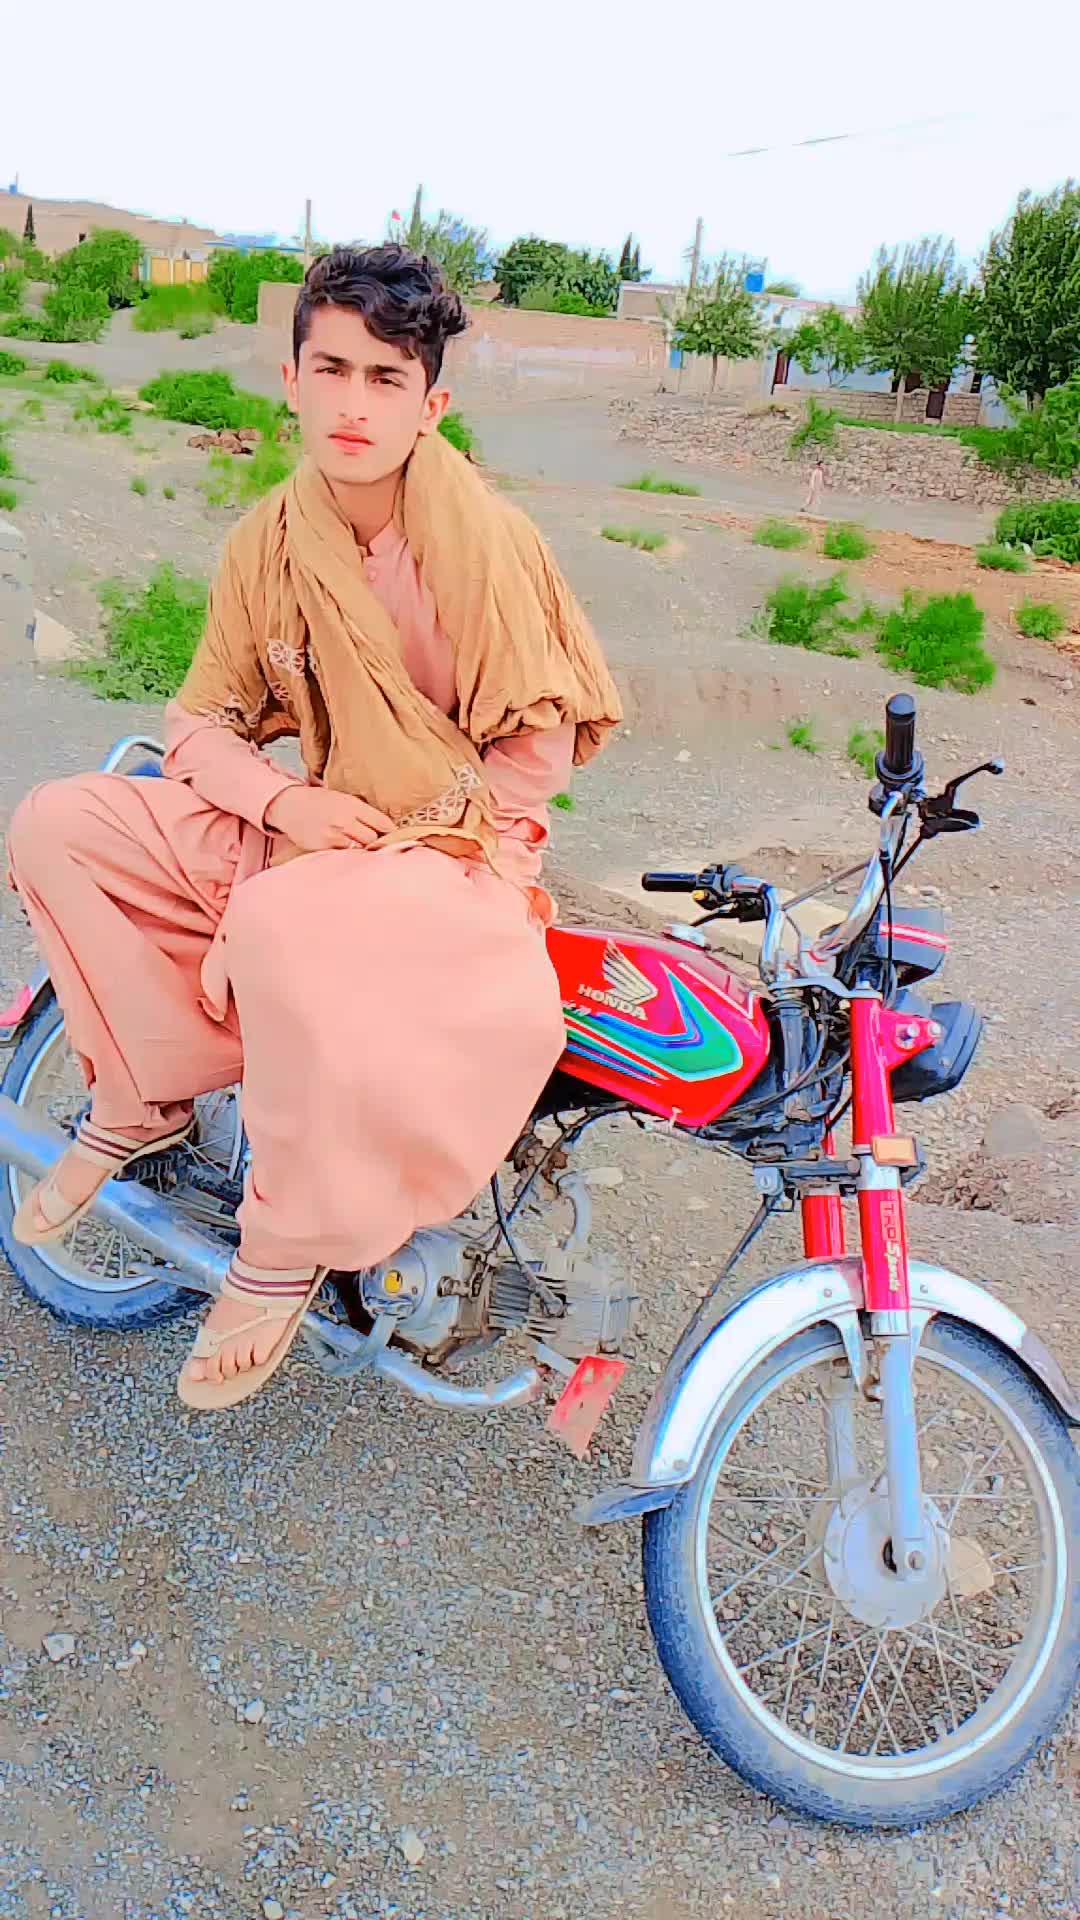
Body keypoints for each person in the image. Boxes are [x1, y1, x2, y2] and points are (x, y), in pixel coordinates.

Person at [7, 245, 621, 1410]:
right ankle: (142, 1098)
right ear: (291, 379)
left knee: (286, 918)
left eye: (386, 379)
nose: (353, 403)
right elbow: (198, 725)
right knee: (56, 824)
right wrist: (287, 802)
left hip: (458, 861)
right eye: (331, 369)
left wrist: (388, 847)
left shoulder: (488, 548)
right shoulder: (271, 541)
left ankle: (286, 1244)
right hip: (315, 834)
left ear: (431, 404)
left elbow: (530, 770)